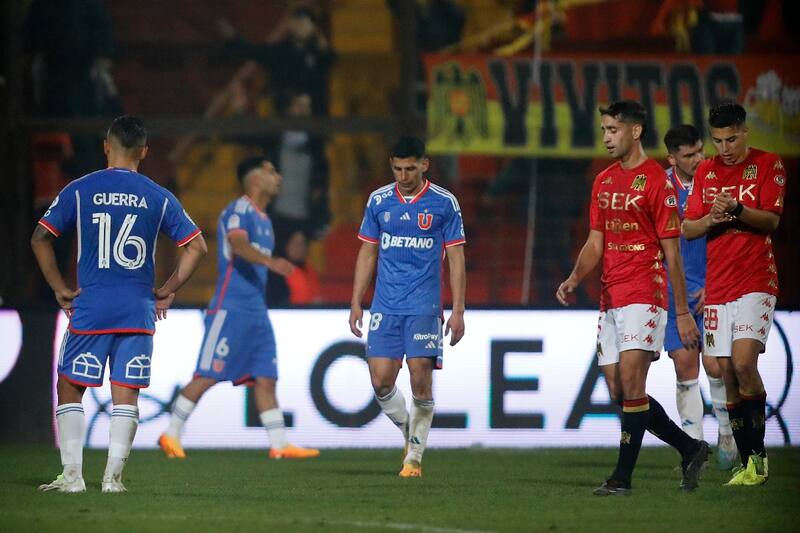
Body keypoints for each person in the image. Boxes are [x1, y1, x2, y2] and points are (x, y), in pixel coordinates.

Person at [31, 116, 207, 493]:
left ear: (106, 146)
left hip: (91, 308)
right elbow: (196, 246)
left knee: (70, 387)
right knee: (126, 393)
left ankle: (73, 476)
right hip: (138, 310)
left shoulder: (80, 189)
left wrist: (60, 287)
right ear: (144, 152)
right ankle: (113, 479)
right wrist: (168, 288)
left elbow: (40, 238)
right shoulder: (158, 196)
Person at [556, 101, 707, 496]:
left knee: (631, 382)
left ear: (635, 131)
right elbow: (595, 240)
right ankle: (690, 447)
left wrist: (681, 312)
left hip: (646, 291)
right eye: (604, 129)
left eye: (613, 130)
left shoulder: (657, 180)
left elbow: (672, 252)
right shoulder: (604, 181)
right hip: (610, 295)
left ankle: (621, 478)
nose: (606, 137)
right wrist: (575, 277)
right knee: (621, 392)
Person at [159, 157, 319, 460]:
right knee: (207, 375)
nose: (278, 177)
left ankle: (280, 444)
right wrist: (271, 262)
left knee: (266, 377)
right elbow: (238, 245)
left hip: (257, 310)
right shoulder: (238, 210)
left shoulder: (265, 219)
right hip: (230, 308)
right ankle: (171, 434)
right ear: (255, 178)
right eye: (271, 171)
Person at [349, 136, 466, 477]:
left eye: (410, 168)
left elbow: (457, 258)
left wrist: (458, 309)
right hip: (385, 305)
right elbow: (367, 252)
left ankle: (414, 456)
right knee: (381, 382)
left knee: (420, 378)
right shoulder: (379, 201)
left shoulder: (444, 203)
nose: (404, 175)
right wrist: (356, 301)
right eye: (398, 168)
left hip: (424, 305)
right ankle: (409, 429)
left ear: (424, 164)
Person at [683, 101, 784, 486]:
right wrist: (711, 218)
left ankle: (759, 458)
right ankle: (746, 463)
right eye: (718, 140)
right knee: (725, 373)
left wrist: (738, 208)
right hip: (719, 285)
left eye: (731, 139)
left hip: (756, 280)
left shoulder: (768, 164)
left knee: (743, 364)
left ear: (745, 132)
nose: (724, 148)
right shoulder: (706, 171)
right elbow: (688, 228)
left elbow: (772, 220)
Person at [662, 124, 737, 469]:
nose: (698, 159)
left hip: (715, 285)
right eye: (689, 155)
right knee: (685, 364)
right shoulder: (661, 186)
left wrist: (718, 281)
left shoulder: (719, 181)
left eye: (700, 152)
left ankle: (726, 435)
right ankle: (693, 448)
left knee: (717, 364)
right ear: (673, 157)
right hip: (675, 289)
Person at [219, 5, 334, 116]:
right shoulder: (279, 52)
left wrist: (323, 51)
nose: (301, 26)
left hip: (314, 122)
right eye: (297, 22)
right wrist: (232, 37)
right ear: (291, 25)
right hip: (283, 120)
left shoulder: (319, 53)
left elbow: (329, 63)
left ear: (313, 26)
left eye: (305, 22)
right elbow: (254, 51)